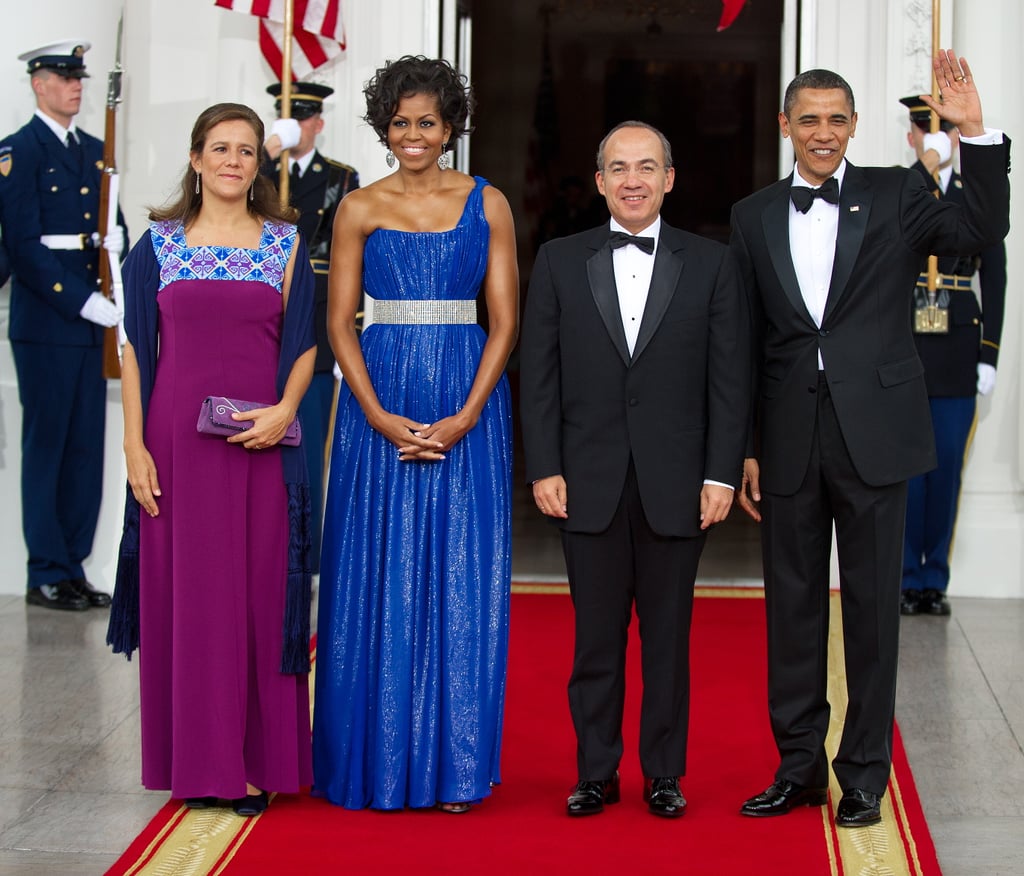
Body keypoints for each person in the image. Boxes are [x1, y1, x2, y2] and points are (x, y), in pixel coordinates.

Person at [731, 51, 1009, 828]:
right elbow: (744, 341)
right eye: (809, 119)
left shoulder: (896, 192)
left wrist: (976, 132)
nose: (823, 133)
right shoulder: (752, 215)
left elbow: (981, 228)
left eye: (837, 119)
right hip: (787, 434)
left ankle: (862, 774)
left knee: (871, 608)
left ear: (854, 127)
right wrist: (743, 446)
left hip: (875, 433)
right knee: (790, 607)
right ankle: (797, 768)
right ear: (785, 125)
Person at [520, 121, 749, 819]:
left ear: (670, 178)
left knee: (668, 640)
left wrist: (719, 474)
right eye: (618, 168)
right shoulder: (559, 260)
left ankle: (664, 773)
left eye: (646, 166)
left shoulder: (712, 264)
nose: (632, 180)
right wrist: (544, 465)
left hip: (678, 482)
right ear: (598, 182)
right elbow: (539, 375)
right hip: (584, 478)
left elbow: (729, 381)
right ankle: (595, 772)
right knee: (594, 640)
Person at [312, 56, 518, 812]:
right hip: (380, 402)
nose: (413, 135)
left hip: (469, 403)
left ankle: (456, 769)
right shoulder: (358, 207)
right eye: (399, 122)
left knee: (461, 576)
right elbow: (338, 323)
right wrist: (370, 410)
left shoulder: (487, 203)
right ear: (382, 126)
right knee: (375, 569)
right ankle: (371, 759)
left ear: (451, 124)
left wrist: (466, 414)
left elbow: (506, 320)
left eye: (426, 121)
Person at [109, 103, 317, 816]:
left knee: (259, 598)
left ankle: (257, 764)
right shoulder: (157, 246)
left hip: (262, 444)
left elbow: (305, 345)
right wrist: (134, 447)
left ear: (261, 164)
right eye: (220, 147)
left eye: (247, 149)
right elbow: (135, 351)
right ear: (196, 159)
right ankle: (197, 763)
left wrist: (287, 409)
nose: (233, 160)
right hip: (175, 449)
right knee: (189, 602)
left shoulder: (286, 244)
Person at [0, 40, 127, 611]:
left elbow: (111, 230)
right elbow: (23, 247)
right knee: (48, 445)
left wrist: (118, 275)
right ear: (38, 83)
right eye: (63, 76)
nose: (76, 85)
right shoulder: (16, 152)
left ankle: (73, 565)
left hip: (90, 322)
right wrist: (80, 300)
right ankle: (45, 569)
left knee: (85, 448)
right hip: (48, 319)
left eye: (80, 77)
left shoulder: (100, 153)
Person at [897, 95, 1007, 618]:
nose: (932, 140)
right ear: (913, 137)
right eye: (924, 133)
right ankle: (902, 576)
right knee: (904, 474)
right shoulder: (903, 185)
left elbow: (997, 277)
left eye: (941, 134)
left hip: (958, 345)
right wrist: (927, 168)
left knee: (945, 473)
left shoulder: (971, 193)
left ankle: (933, 578)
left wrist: (990, 353)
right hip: (904, 348)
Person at [262, 81, 360, 572]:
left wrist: (351, 340)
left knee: (308, 452)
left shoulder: (341, 179)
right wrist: (266, 153)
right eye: (286, 117)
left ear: (319, 123)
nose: (294, 126)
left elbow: (353, 262)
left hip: (318, 335)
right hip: (261, 328)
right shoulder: (258, 170)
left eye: (302, 118)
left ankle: (306, 559)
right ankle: (264, 551)